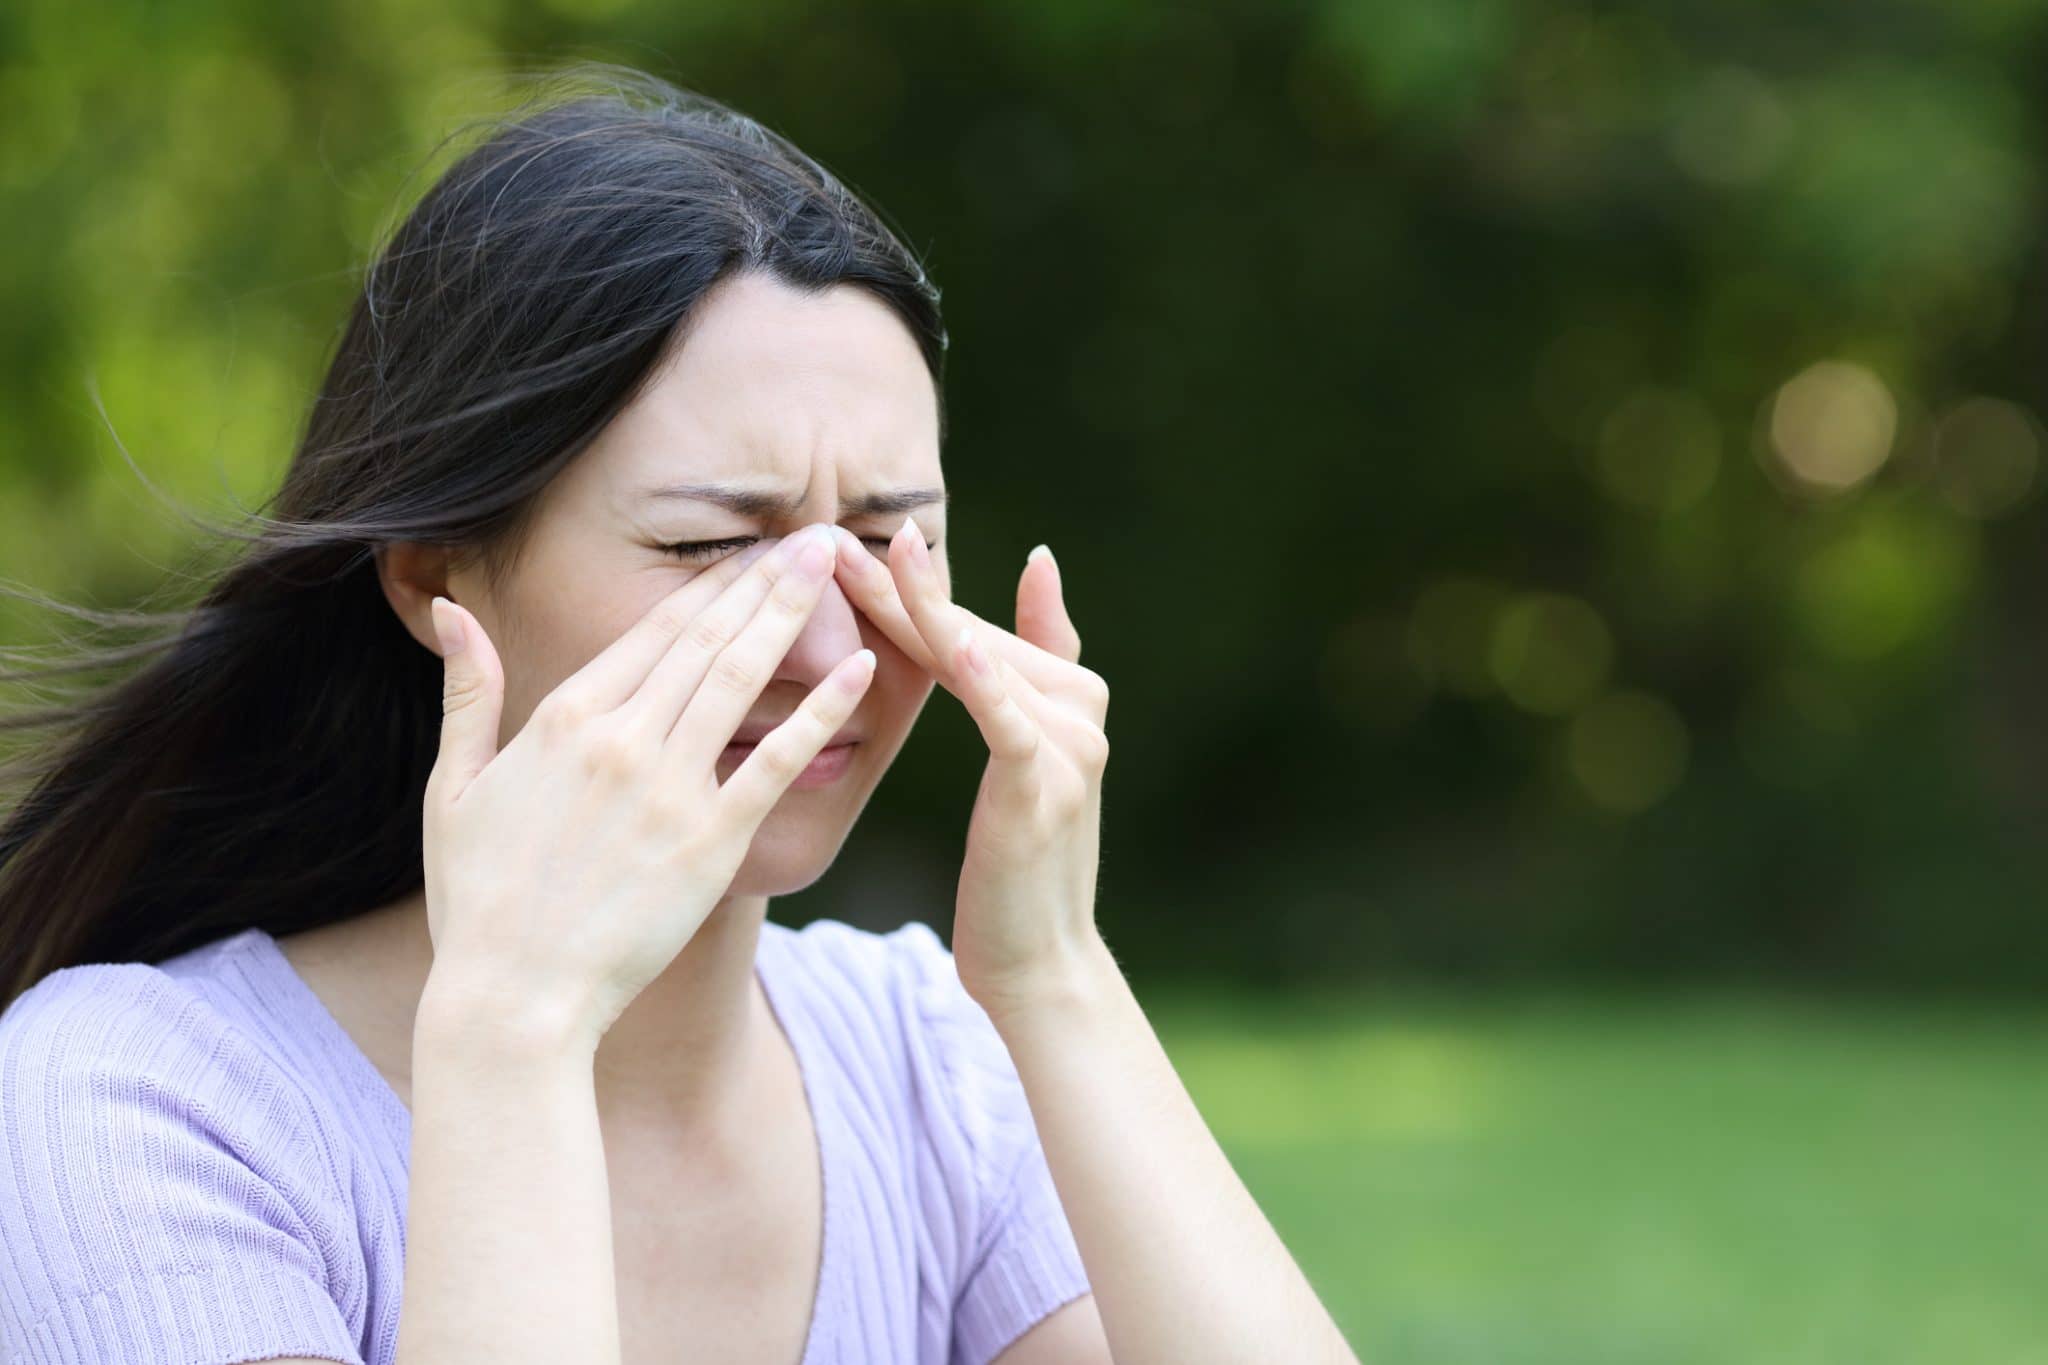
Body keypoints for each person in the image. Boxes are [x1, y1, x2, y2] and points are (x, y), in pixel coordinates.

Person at [0, 62, 1357, 1365]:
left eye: (890, 539)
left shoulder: (926, 1065)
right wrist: (512, 1029)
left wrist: (1055, 975)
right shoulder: (125, 1104)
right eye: (713, 546)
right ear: (433, 576)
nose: (830, 642)